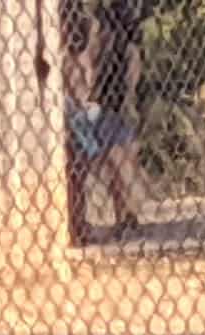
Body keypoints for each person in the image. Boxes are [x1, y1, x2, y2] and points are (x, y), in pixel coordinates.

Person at [61, 0, 144, 241]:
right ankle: (122, 216)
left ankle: (125, 216)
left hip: (105, 111)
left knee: (114, 161)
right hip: (98, 110)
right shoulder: (86, 53)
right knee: (110, 163)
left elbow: (93, 85)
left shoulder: (120, 51)